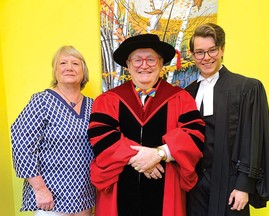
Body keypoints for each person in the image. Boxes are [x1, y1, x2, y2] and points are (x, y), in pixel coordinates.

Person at [88, 34, 205, 216]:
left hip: (167, 190)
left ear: (160, 63)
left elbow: (194, 136)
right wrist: (143, 159)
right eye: (137, 60)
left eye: (151, 59)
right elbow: (101, 138)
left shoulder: (181, 98)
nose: (144, 65)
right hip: (119, 190)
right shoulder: (108, 100)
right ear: (128, 64)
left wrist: (159, 154)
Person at [185, 23, 269, 216]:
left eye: (212, 50)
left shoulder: (246, 88)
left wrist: (244, 186)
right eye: (200, 52)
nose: (206, 57)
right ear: (192, 55)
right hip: (195, 187)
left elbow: (251, 140)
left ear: (222, 50)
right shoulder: (187, 93)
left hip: (230, 184)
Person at [11, 45, 96, 216]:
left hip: (84, 194)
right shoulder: (41, 101)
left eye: (75, 63)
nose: (69, 68)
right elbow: (21, 145)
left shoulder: (93, 105)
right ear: (55, 71)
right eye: (63, 63)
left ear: (83, 71)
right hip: (50, 195)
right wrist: (40, 189)